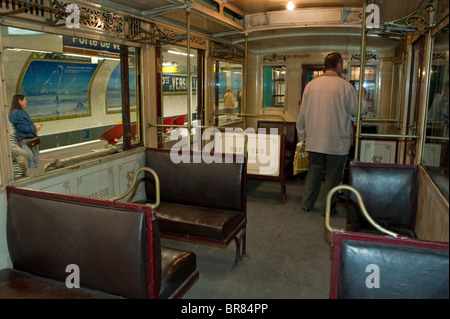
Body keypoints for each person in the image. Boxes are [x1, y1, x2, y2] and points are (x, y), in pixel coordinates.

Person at [296, 52, 367, 216]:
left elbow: (302, 114)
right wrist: (362, 95)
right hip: (337, 141)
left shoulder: (311, 86)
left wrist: (303, 137)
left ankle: (307, 204)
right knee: (333, 177)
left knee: (314, 172)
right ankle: (328, 208)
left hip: (314, 140)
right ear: (339, 65)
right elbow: (359, 111)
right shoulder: (345, 87)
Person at [9, 94, 42, 169]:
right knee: (30, 163)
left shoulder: (15, 112)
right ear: (19, 101)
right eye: (25, 100)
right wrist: (35, 128)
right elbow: (24, 128)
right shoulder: (18, 113)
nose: (26, 102)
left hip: (23, 142)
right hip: (27, 142)